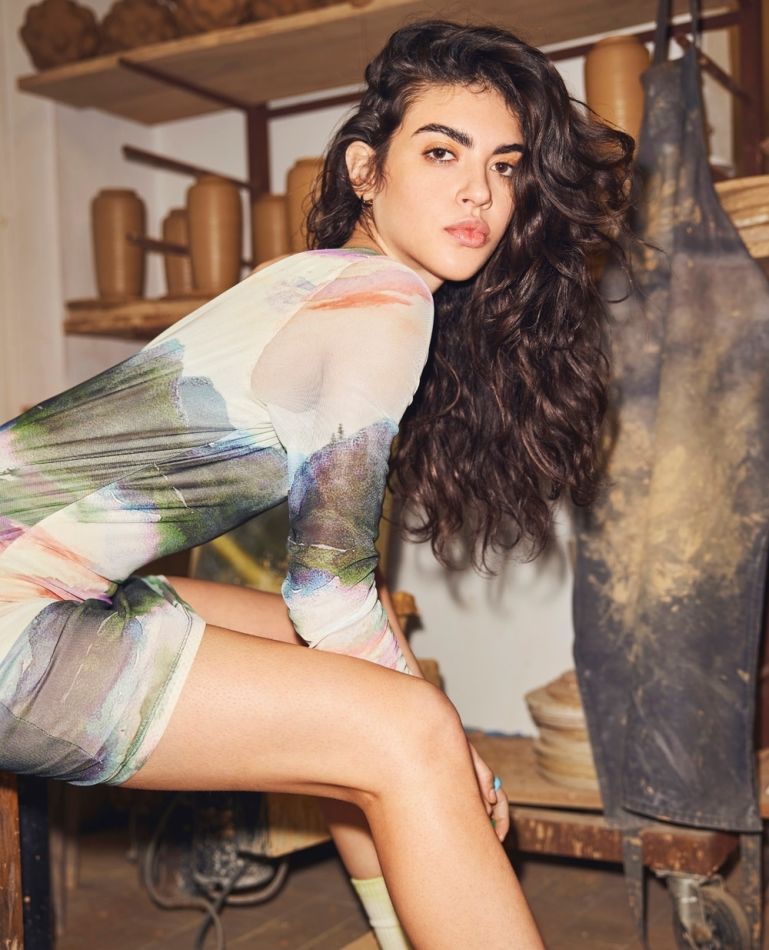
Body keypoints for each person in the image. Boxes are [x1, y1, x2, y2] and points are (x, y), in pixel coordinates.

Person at [0, 19, 633, 950]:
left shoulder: (319, 278)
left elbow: (330, 600)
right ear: (364, 171)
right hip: (14, 618)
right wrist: (450, 748)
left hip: (41, 580)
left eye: (504, 167)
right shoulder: (381, 305)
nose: (479, 192)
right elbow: (327, 593)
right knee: (409, 729)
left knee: (367, 690)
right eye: (442, 152)